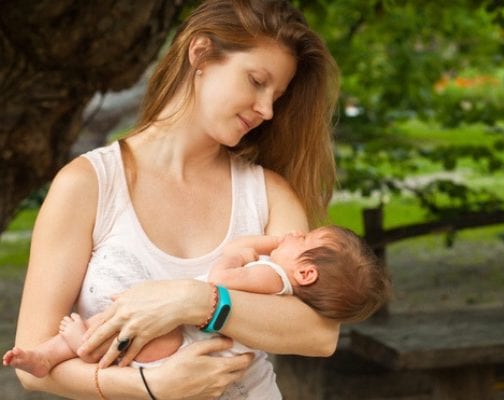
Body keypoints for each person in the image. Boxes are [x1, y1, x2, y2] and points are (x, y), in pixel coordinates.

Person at [11, 0, 347, 398]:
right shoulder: (88, 185)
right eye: (257, 81)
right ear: (200, 53)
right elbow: (32, 365)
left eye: (277, 95)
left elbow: (320, 333)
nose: (267, 110)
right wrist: (152, 386)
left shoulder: (268, 194)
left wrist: (196, 300)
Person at [4, 226, 391, 390]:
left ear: (305, 273)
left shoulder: (271, 277)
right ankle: (48, 353)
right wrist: (276, 241)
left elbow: (222, 282)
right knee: (121, 325)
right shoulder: (285, 286)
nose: (294, 233)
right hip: (193, 339)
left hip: (187, 339)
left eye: (304, 237)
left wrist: (237, 254)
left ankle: (80, 346)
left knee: (127, 335)